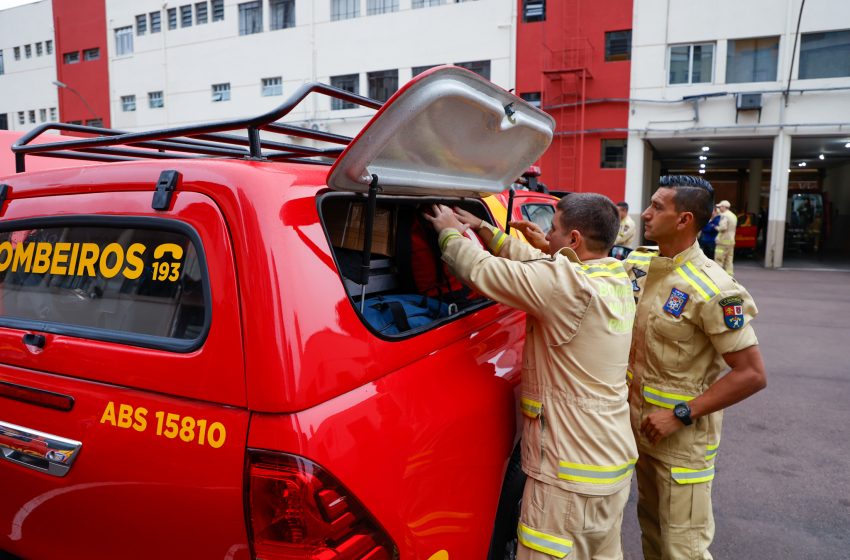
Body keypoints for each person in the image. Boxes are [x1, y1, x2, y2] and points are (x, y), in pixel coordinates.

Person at [425, 194, 637, 560]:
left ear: (573, 240)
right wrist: (488, 231)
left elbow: (482, 271)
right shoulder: (613, 277)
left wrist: (449, 234)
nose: (546, 236)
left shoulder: (568, 287)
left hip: (568, 478)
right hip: (610, 466)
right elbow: (542, 264)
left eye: (552, 230)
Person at [623, 176, 767, 560]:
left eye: (657, 206)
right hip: (641, 432)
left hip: (681, 443)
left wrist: (680, 414)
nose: (646, 214)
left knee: (682, 548)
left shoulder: (714, 288)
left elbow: (752, 374)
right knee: (652, 535)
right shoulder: (640, 264)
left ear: (684, 219)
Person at [714, 200, 737, 275]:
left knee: (719, 259)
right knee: (729, 260)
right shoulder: (733, 215)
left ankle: (719, 277)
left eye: (720, 207)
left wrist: (716, 227)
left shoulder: (724, 216)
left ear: (724, 207)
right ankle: (730, 276)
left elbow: (723, 227)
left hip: (722, 241)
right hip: (731, 241)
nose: (719, 208)